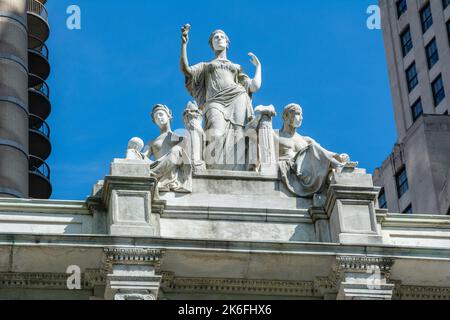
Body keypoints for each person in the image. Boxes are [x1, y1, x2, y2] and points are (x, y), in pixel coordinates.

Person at [180, 24, 262, 170]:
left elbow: (254, 86)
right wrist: (184, 45)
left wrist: (259, 67)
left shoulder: (236, 67)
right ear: (211, 44)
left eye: (221, 37)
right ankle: (212, 170)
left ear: (227, 42)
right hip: (214, 101)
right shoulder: (206, 65)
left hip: (238, 97)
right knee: (215, 135)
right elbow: (186, 69)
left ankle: (238, 171)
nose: (219, 39)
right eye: (215, 38)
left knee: (239, 136)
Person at [277, 103, 350, 197]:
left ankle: (337, 163)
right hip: (289, 167)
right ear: (286, 115)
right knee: (312, 148)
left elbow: (321, 153)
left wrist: (337, 156)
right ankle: (338, 166)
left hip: (306, 171)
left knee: (313, 147)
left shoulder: (305, 139)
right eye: (298, 114)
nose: (301, 118)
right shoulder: (275, 135)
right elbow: (254, 136)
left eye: (301, 114)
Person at [143, 104, 192, 193]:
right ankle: (153, 173)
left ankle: (154, 174)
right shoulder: (151, 143)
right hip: (154, 166)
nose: (159, 118)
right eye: (156, 117)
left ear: (169, 115)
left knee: (177, 150)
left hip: (172, 170)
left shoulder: (179, 136)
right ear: (154, 121)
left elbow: (188, 152)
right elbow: (143, 157)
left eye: (161, 114)